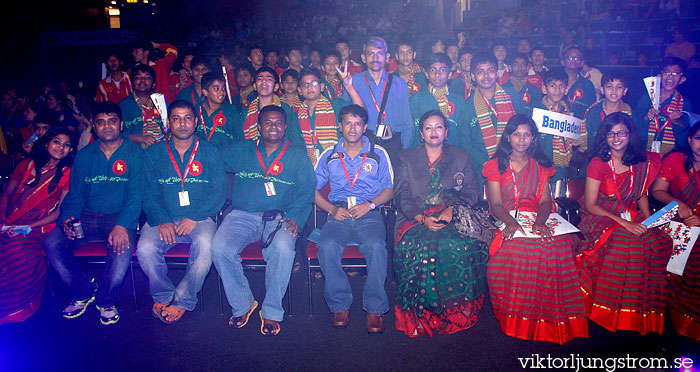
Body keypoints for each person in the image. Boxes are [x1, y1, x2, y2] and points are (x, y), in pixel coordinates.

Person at [484, 114, 587, 343]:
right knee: (520, 249)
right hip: (506, 217)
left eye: (527, 134)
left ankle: (551, 319)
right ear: (508, 137)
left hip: (538, 216)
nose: (521, 140)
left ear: (533, 138)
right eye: (516, 134)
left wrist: (540, 223)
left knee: (557, 246)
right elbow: (496, 204)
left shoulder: (542, 166)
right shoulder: (495, 165)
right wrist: (511, 222)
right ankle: (518, 318)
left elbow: (544, 202)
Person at [212, 105, 315, 336]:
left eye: (278, 122)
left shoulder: (298, 154)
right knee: (219, 248)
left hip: (281, 216)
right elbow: (211, 155)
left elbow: (307, 189)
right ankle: (243, 303)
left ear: (285, 126)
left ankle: (271, 310)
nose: (273, 127)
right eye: (267, 122)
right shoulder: (242, 150)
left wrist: (296, 217)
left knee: (283, 248)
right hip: (242, 214)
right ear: (259, 127)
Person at [43, 102, 144, 325]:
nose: (107, 126)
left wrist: (122, 226)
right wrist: (67, 219)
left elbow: (136, 196)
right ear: (94, 127)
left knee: (122, 251)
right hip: (86, 217)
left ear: (121, 124)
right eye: (101, 122)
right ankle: (83, 291)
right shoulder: (84, 155)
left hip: (118, 217)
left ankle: (107, 301)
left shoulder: (135, 154)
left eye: (112, 121)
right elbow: (75, 194)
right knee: (52, 243)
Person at [393, 110, 487, 337]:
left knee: (460, 246)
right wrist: (421, 219)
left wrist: (451, 210)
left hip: (452, 215)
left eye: (438, 127)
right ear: (421, 133)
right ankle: (419, 314)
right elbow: (400, 196)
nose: (433, 132)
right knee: (416, 248)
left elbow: (472, 191)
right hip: (414, 217)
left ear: (446, 132)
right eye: (428, 127)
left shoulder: (461, 156)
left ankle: (456, 313)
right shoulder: (406, 157)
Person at [577, 112, 672, 335]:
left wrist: (649, 221)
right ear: (604, 137)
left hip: (631, 214)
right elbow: (590, 204)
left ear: (630, 135)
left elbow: (641, 194)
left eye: (621, 133)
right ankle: (607, 311)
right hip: (601, 216)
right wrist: (624, 224)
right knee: (627, 242)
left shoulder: (640, 161)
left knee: (653, 242)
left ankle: (637, 312)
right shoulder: (598, 162)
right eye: (611, 134)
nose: (616, 138)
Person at [137, 99, 225, 324]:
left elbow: (218, 193)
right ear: (168, 123)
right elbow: (148, 193)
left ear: (195, 122)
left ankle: (184, 298)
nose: (182, 123)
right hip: (163, 218)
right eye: (176, 118)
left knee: (206, 247)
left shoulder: (210, 151)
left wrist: (194, 216)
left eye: (187, 118)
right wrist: (162, 220)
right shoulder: (153, 153)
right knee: (145, 248)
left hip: (200, 217)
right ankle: (163, 293)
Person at [314, 104, 394, 333]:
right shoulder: (329, 154)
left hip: (368, 212)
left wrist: (369, 205)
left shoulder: (378, 153)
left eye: (358, 123)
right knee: (327, 246)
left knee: (376, 246)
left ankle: (375, 307)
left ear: (365, 127)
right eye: (348, 122)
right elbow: (311, 189)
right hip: (338, 212)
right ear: (340, 126)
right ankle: (340, 304)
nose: (352, 128)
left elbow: (389, 190)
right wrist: (330, 209)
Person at [0, 126, 76, 324]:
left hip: (39, 226)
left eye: (67, 145)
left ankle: (14, 307)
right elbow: (7, 194)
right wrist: (3, 220)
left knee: (18, 251)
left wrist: (28, 227)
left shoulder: (67, 173)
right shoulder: (26, 165)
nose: (61, 147)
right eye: (57, 142)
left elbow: (59, 211)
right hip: (10, 219)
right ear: (46, 143)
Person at [651, 120, 700, 341]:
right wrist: (677, 204)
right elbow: (658, 191)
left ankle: (688, 320)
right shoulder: (675, 159)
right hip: (674, 220)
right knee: (659, 244)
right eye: (698, 138)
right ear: (689, 140)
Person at [343, 36, 413, 154]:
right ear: (363, 58)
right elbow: (345, 119)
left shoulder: (398, 83)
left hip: (393, 145)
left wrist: (405, 150)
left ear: (387, 57)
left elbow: (407, 122)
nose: (375, 58)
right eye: (371, 54)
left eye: (380, 53)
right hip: (363, 143)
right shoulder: (352, 82)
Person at [462, 52, 525, 180]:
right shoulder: (468, 106)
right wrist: (485, 163)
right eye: (480, 72)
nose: (486, 76)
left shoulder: (512, 96)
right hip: (482, 168)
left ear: (496, 73)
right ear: (473, 76)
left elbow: (526, 128)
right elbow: (465, 141)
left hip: (515, 162)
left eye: (490, 70)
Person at [635, 57, 694, 155]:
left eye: (676, 73)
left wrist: (677, 122)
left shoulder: (685, 104)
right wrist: (646, 117)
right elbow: (635, 127)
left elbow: (686, 141)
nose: (670, 76)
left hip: (671, 155)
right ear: (659, 76)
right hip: (644, 152)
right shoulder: (647, 98)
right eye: (666, 72)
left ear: (682, 79)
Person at [533, 69, 583, 182]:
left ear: (566, 90)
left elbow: (576, 142)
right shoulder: (535, 111)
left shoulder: (569, 113)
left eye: (561, 86)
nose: (557, 90)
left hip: (562, 169)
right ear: (544, 88)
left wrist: (575, 141)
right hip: (539, 169)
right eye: (552, 85)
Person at [409, 53, 467, 147]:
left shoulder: (459, 101)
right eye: (432, 70)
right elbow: (413, 133)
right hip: (422, 154)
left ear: (450, 75)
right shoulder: (416, 99)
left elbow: (463, 135)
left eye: (443, 70)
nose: (437, 74)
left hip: (453, 155)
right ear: (427, 74)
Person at [238, 67, 297, 143]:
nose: (264, 81)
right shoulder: (246, 112)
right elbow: (241, 140)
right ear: (255, 86)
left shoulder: (285, 109)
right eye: (260, 79)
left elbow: (291, 138)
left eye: (269, 79)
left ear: (276, 87)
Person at [581, 70, 632, 152]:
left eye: (619, 87)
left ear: (625, 91)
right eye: (609, 86)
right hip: (596, 157)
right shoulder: (592, 112)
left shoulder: (629, 113)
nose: (614, 91)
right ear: (602, 89)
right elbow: (585, 144)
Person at [119, 64, 165, 149]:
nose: (142, 80)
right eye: (138, 77)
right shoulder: (123, 105)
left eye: (147, 77)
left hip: (161, 151)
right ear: (132, 84)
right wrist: (141, 138)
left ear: (154, 84)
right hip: (132, 153)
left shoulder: (162, 104)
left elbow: (172, 128)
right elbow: (117, 134)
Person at [196, 72, 241, 147]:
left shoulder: (232, 112)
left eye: (223, 88)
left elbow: (238, 139)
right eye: (216, 88)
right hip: (199, 156)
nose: (221, 92)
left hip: (224, 156)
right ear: (205, 92)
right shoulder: (196, 110)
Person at [560, 47, 596, 119]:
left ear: (582, 63)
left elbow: (592, 110)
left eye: (577, 58)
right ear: (563, 62)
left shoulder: (587, 85)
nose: (573, 60)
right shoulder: (553, 81)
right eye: (570, 57)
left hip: (580, 127)